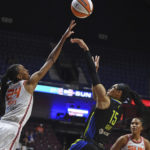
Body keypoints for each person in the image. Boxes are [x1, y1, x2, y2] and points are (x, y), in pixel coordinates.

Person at [0, 20, 76, 150]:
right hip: (11, 128)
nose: (27, 70)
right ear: (19, 76)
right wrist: (63, 39)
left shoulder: (7, 88)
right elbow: (51, 60)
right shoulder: (28, 84)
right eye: (23, 69)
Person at [68, 38, 143, 150]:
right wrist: (96, 72)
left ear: (119, 93)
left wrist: (86, 49)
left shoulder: (107, 101)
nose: (109, 88)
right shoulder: (119, 109)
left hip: (87, 145)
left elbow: (93, 75)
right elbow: (95, 96)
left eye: (113, 87)